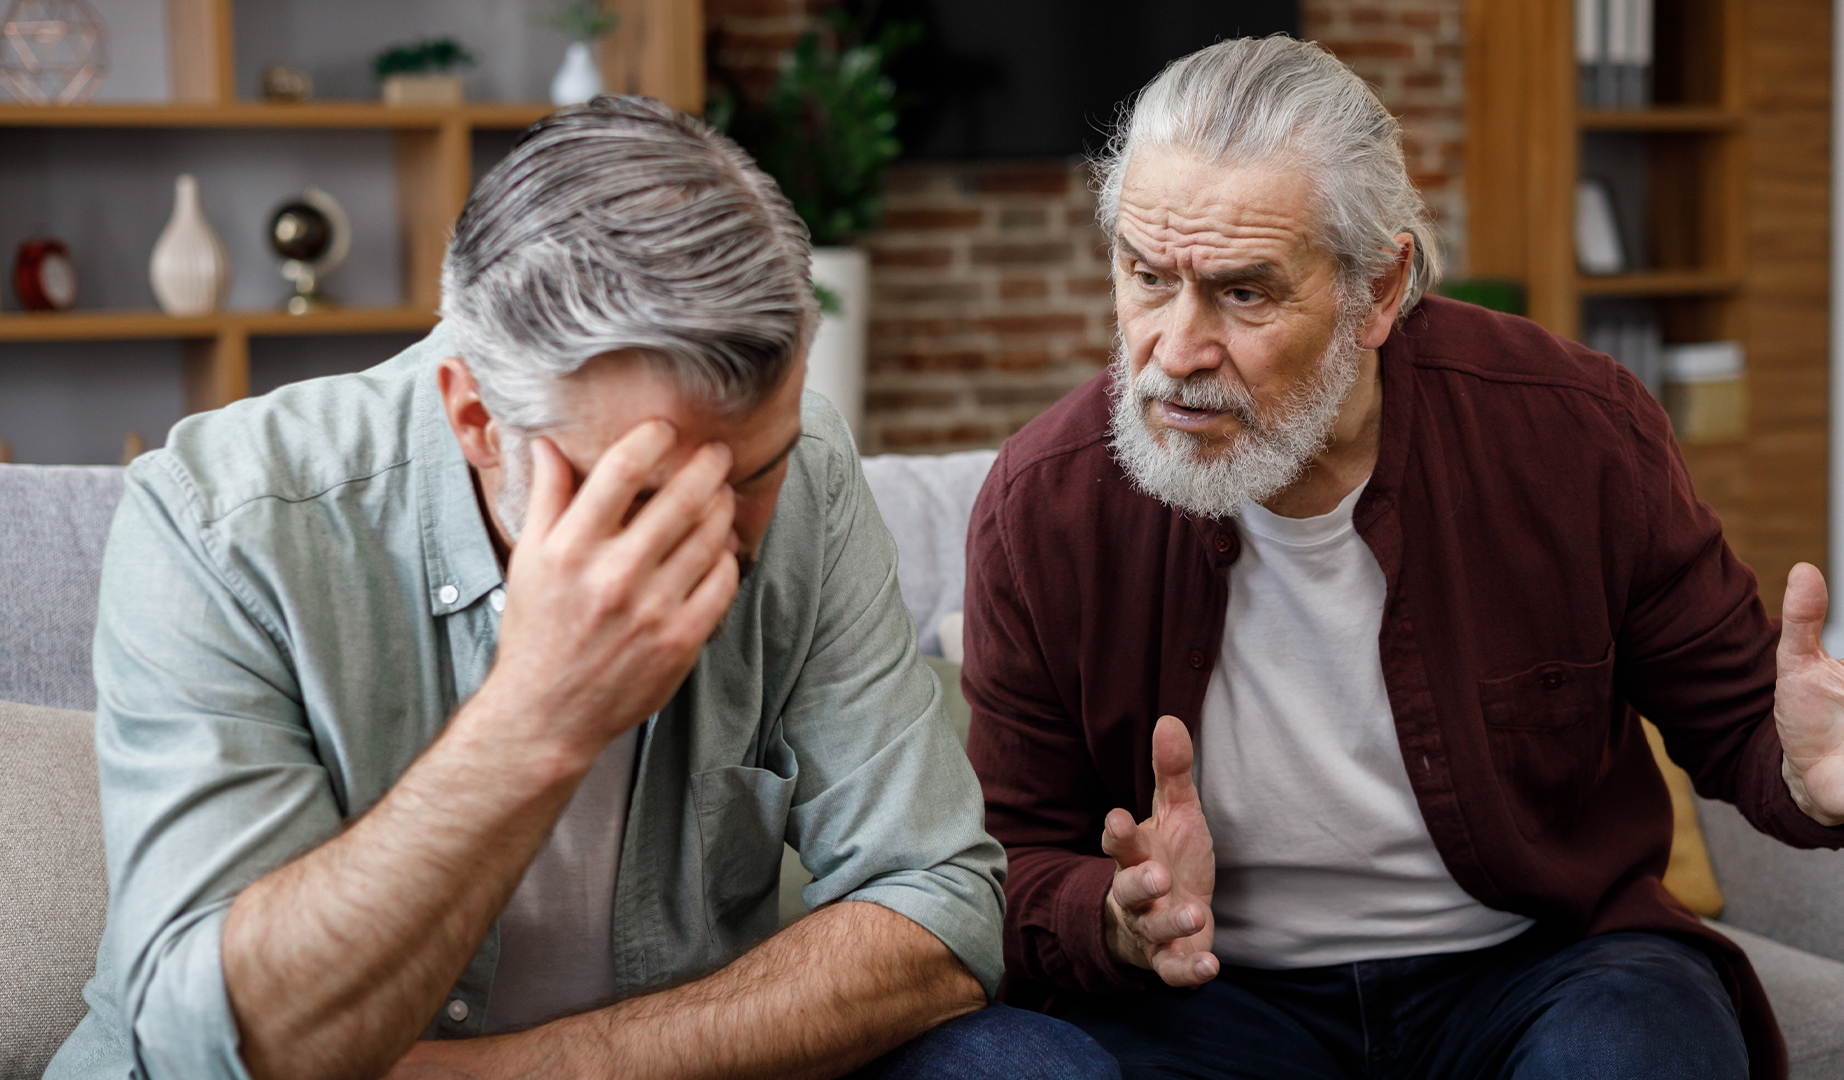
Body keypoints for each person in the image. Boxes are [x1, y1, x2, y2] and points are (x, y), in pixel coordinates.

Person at [46, 97, 1116, 1080]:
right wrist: (537, 719)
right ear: (473, 416)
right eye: (644, 484)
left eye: (754, 472)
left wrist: (530, 1073)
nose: (714, 536)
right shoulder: (223, 519)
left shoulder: (815, 473)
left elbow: (939, 909)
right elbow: (212, 1050)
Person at [962, 36, 1844, 1080]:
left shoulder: (1575, 431)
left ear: (1381, 288)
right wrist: (1113, 919)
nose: (1176, 351)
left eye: (1242, 294)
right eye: (1147, 277)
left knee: (1634, 1049)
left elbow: (1735, 717)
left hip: (1542, 966)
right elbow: (1003, 865)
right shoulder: (1043, 505)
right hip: (1210, 1002)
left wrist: (1807, 774)